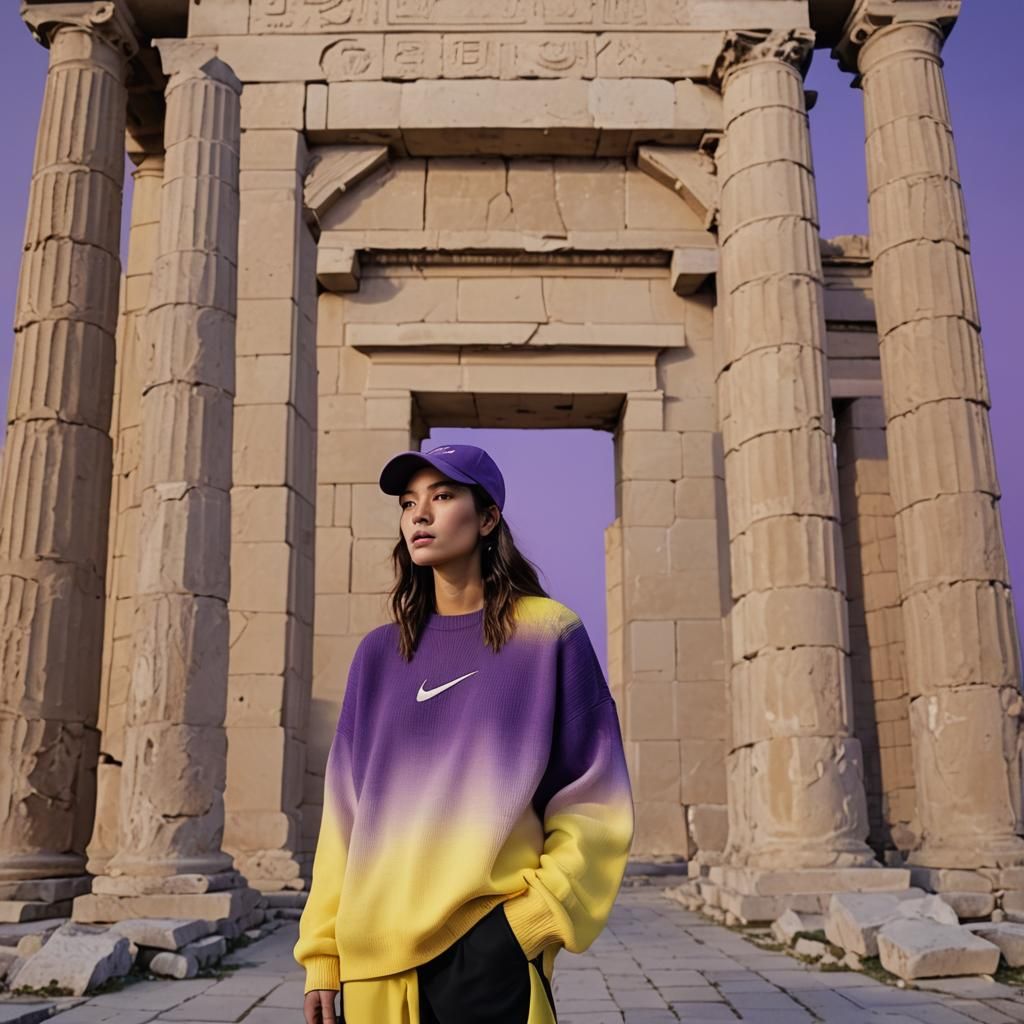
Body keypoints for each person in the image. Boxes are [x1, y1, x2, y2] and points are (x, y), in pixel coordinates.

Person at [294, 442, 635, 1024]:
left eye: (443, 496)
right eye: (408, 503)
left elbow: (595, 800)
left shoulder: (548, 635)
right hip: (374, 963)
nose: (420, 515)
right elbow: (344, 816)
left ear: (487, 518)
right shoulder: (378, 654)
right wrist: (323, 954)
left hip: (490, 951)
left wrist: (531, 922)